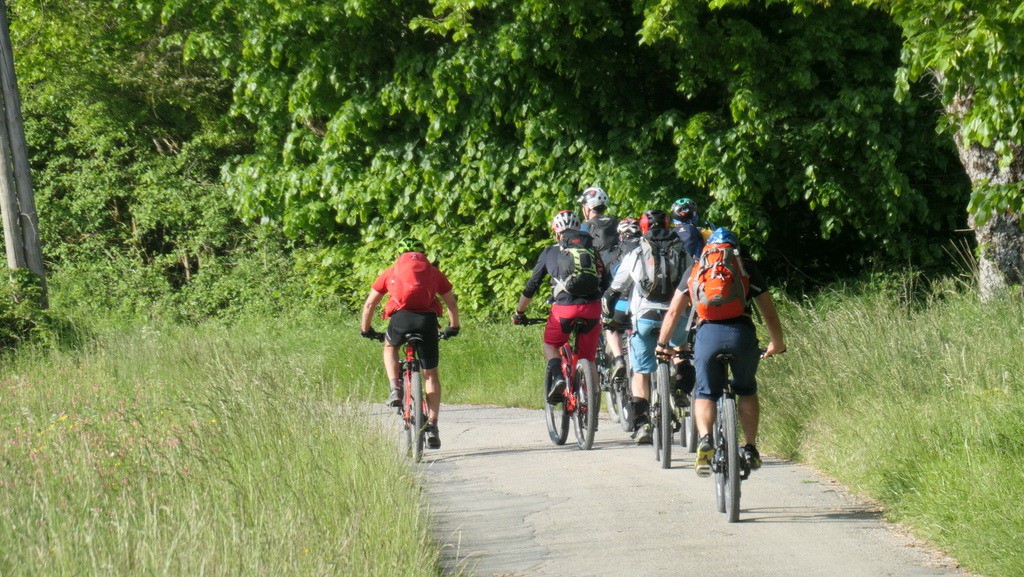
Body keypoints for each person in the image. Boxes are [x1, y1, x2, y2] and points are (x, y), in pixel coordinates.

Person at [655, 228, 785, 475]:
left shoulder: (697, 269)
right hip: (741, 334)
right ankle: (750, 447)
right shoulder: (744, 266)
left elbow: (673, 313)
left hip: (708, 336)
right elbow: (769, 312)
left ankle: (705, 440)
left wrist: (662, 346)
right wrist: (777, 343)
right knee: (746, 389)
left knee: (705, 392)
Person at [360, 238, 460, 450]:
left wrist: (365, 330)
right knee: (430, 374)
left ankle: (395, 388)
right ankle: (432, 425)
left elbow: (370, 304)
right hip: (427, 322)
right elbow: (451, 302)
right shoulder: (433, 272)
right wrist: (453, 326)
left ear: (399, 255)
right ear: (424, 255)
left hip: (401, 319)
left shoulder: (392, 271)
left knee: (389, 347)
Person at [603, 209, 692, 444]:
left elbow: (617, 286)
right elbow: (693, 279)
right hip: (676, 314)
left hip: (645, 315)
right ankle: (681, 387)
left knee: (641, 372)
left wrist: (608, 305)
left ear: (643, 228)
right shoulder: (681, 249)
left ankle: (642, 424)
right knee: (680, 347)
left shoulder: (636, 251)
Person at [512, 210, 610, 405]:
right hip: (592, 309)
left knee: (550, 344)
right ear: (578, 230)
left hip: (564, 310)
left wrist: (519, 312)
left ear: (557, 233)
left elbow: (532, 285)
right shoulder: (591, 250)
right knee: (588, 358)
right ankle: (591, 402)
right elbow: (606, 280)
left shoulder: (550, 252)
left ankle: (557, 376)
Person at [578, 186, 627, 385]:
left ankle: (616, 359)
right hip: (619, 275)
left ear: (588, 208)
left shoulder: (585, 227)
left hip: (599, 276)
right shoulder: (616, 222)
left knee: (604, 318)